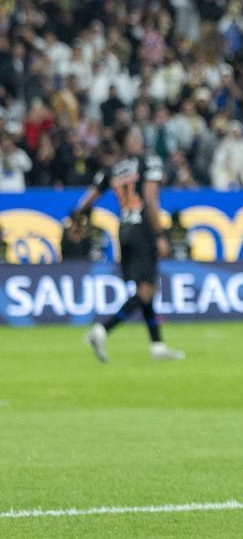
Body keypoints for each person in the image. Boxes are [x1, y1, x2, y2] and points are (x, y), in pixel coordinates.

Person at [72, 126, 184, 363]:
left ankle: (157, 345)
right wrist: (160, 233)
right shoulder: (149, 161)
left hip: (123, 231)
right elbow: (151, 198)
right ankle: (103, 329)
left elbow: (85, 202)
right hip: (143, 230)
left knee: (146, 289)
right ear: (132, 140)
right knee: (146, 291)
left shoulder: (112, 169)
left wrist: (78, 223)